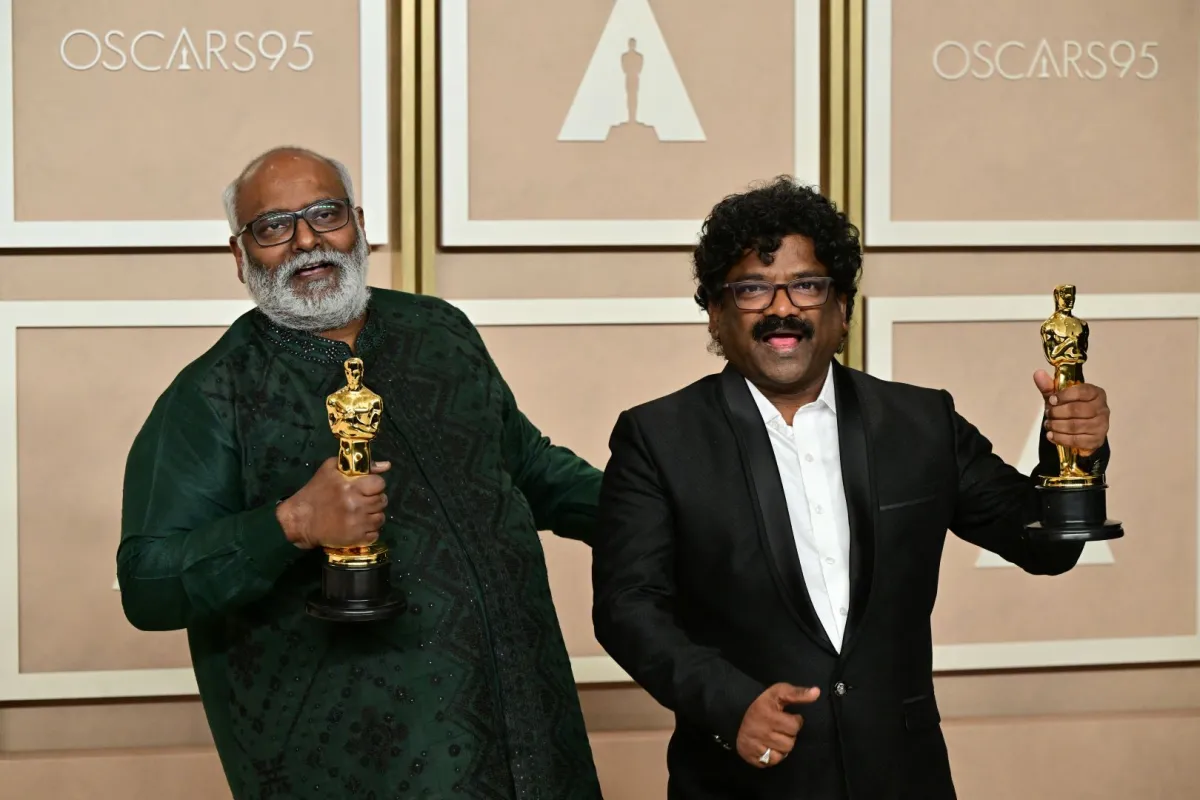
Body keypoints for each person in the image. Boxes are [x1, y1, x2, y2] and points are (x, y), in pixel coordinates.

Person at [590, 176, 1112, 799]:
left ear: (841, 308)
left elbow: (1045, 546)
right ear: (716, 311)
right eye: (754, 287)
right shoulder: (657, 438)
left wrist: (1075, 452)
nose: (782, 309)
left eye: (806, 285)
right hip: (741, 782)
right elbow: (628, 608)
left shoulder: (922, 423)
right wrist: (730, 703)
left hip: (903, 777)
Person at [118, 146, 605, 800]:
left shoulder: (440, 330)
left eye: (326, 214)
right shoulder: (214, 395)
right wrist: (288, 525)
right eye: (273, 226)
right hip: (358, 771)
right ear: (239, 256)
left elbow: (530, 469)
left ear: (361, 224)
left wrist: (675, 511)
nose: (307, 240)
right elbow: (148, 583)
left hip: (529, 735)